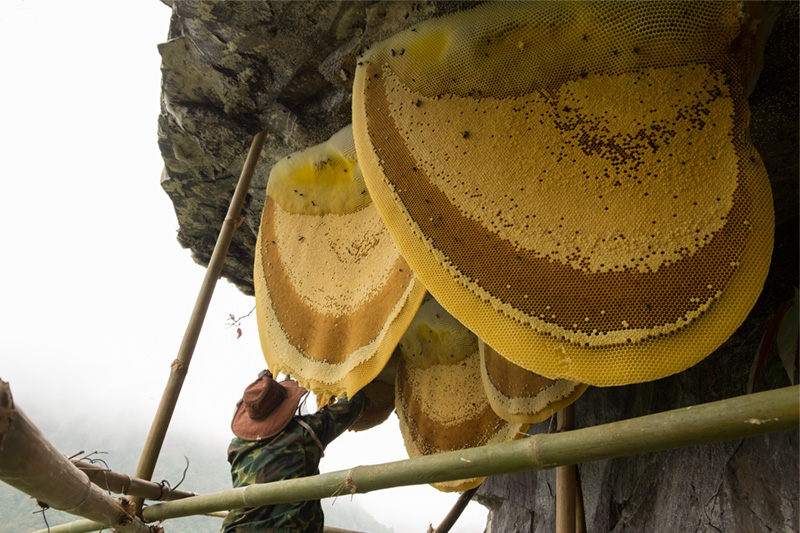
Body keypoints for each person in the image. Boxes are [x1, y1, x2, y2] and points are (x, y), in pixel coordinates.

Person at [221, 370, 369, 533]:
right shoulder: (304, 433)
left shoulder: (235, 447)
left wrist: (265, 384)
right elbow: (353, 404)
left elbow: (261, 404)